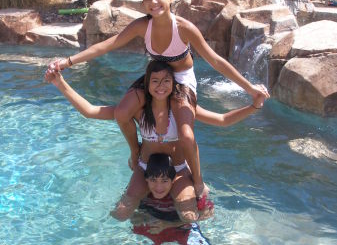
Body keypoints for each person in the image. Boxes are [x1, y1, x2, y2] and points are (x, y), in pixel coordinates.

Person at [46, 0, 269, 199]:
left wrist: (249, 89)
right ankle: (136, 152)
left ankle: (199, 182)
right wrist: (68, 62)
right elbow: (106, 45)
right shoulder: (142, 26)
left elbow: (216, 61)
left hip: (180, 80)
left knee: (186, 135)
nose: (153, 3)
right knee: (122, 113)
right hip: (157, 79)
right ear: (142, 4)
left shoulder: (184, 28)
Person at [45, 60, 266, 222]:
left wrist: (253, 106)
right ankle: (150, 220)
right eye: (155, 81)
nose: (161, 86)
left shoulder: (182, 109)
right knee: (121, 213)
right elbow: (91, 111)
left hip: (178, 170)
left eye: (166, 81)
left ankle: (176, 235)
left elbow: (223, 119)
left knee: (189, 216)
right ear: (147, 84)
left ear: (173, 83)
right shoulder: (139, 111)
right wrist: (59, 82)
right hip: (146, 168)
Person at [131, 153, 214, 245]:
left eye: (164, 181)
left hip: (182, 230)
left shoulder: (183, 197)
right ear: (146, 179)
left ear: (173, 180)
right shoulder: (143, 195)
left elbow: (208, 213)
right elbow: (134, 214)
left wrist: (168, 225)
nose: (158, 187)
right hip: (157, 230)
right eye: (153, 180)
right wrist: (141, 217)